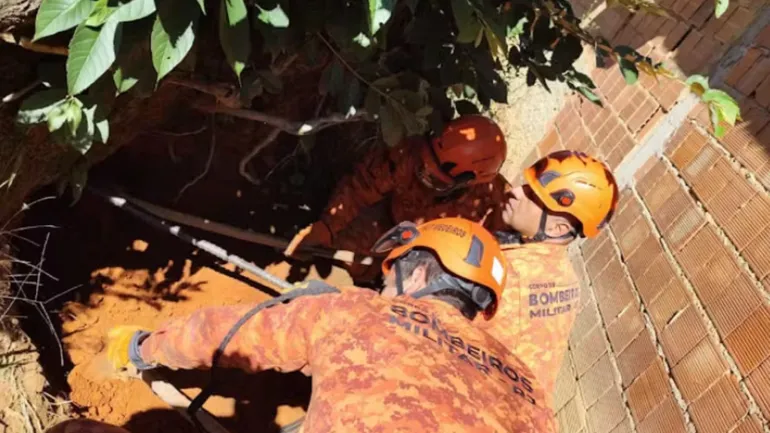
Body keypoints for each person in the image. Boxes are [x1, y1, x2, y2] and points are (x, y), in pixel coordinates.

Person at [62, 218, 555, 433]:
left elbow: (231, 335)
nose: (383, 286)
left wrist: (141, 348)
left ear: (421, 273)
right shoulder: (531, 389)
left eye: (391, 275)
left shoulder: (360, 311)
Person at [290, 115, 512, 283]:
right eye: (422, 167)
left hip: (435, 261)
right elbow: (362, 186)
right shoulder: (409, 154)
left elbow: (499, 256)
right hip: (391, 226)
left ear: (470, 182)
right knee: (346, 250)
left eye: (435, 180)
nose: (423, 176)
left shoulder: (495, 202)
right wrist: (327, 227)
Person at [476, 150, 619, 408]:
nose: (516, 192)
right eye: (526, 187)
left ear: (557, 228)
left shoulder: (507, 275)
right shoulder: (564, 276)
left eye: (532, 196)